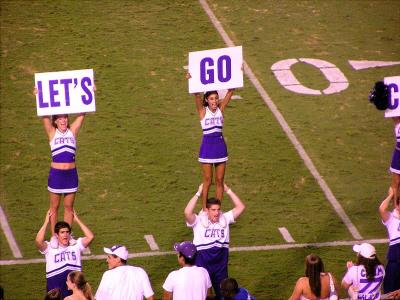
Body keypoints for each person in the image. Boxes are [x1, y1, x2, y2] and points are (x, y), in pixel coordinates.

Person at [184, 183, 245, 299]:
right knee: (202, 296)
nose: (216, 213)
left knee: (224, 296)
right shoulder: (198, 221)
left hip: (220, 268)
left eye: (218, 209)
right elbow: (187, 212)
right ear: (207, 210)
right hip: (202, 267)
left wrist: (228, 190)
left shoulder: (225, 219)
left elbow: (241, 207)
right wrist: (198, 193)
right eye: (213, 210)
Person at [187, 74, 235, 211]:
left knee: (220, 181)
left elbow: (231, 91)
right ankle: (204, 209)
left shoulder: (221, 109)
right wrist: (191, 78)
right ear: (207, 100)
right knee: (208, 180)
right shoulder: (202, 111)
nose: (214, 101)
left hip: (220, 147)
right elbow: (196, 95)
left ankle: (216, 210)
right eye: (211, 99)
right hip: (207, 148)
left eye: (216, 98)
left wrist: (238, 72)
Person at [35, 209, 94, 298]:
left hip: (73, 291)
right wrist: (46, 222)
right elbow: (38, 241)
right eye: (62, 232)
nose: (65, 235)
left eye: (67, 232)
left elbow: (90, 237)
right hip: (56, 293)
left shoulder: (76, 245)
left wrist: (77, 220)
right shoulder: (50, 247)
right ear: (56, 235)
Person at [369, 81, 400, 208]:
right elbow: (394, 111)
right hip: (399, 152)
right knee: (395, 183)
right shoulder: (397, 121)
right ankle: (396, 211)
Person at [379, 187, 400, 293]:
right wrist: (391, 195)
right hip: (395, 263)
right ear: (397, 205)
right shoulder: (391, 219)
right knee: (389, 294)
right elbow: (382, 209)